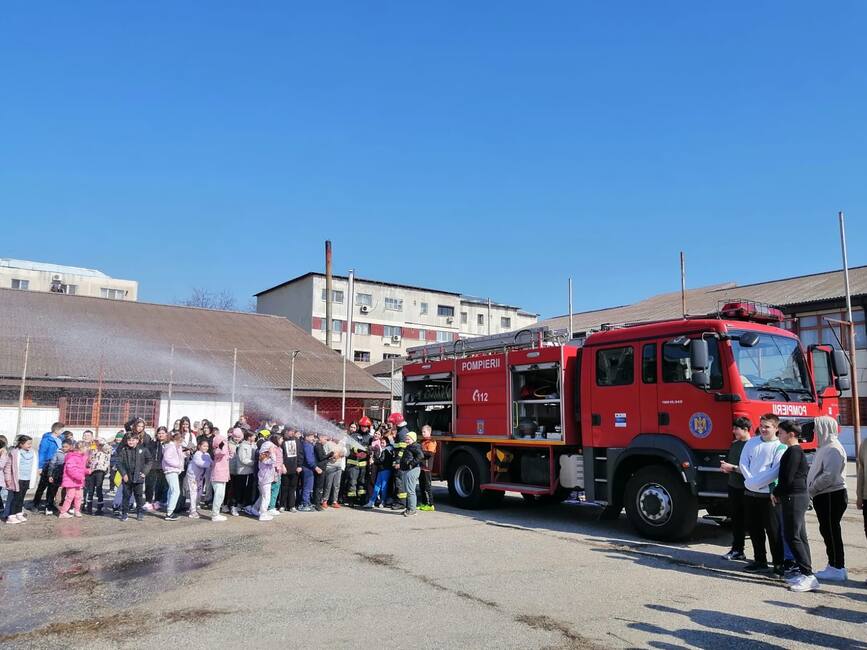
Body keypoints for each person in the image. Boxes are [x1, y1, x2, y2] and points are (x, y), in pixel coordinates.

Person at [772, 420, 817, 592]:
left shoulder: (793, 452)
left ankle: (808, 575)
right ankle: (805, 572)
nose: (779, 435)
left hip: (794, 497)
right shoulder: (795, 451)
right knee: (800, 536)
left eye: (781, 432)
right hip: (796, 496)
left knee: (793, 536)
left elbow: (787, 478)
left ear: (791, 434)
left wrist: (776, 492)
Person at [740, 413, 786, 574]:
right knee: (754, 530)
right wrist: (750, 481)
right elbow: (743, 462)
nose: (763, 429)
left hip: (768, 496)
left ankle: (779, 564)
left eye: (767, 426)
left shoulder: (780, 446)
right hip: (750, 494)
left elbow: (775, 471)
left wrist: (755, 483)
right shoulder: (751, 443)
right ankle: (760, 560)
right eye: (761, 425)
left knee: (773, 531)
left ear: (776, 428)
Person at [807, 415, 849, 582]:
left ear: (824, 428)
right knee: (827, 530)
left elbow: (829, 476)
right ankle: (834, 565)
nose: (814, 432)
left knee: (831, 531)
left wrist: (811, 489)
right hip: (824, 495)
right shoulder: (825, 446)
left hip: (831, 495)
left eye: (817, 428)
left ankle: (837, 567)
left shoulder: (833, 448)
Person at [719, 417, 752, 561]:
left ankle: (761, 558)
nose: (733, 431)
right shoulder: (735, 444)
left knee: (752, 522)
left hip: (747, 488)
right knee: (736, 520)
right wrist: (726, 468)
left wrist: (731, 468)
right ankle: (737, 550)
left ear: (745, 429)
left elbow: (751, 469)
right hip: (733, 486)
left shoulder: (752, 445)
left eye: (736, 429)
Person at [116, 434, 154, 522]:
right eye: (129, 440)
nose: (131, 442)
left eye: (133, 440)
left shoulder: (143, 450)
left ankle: (139, 512)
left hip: (138, 477)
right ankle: (124, 513)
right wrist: (123, 474)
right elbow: (119, 463)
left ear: (137, 440)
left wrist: (144, 472)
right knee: (126, 496)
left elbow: (149, 461)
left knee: (139, 496)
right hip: (127, 477)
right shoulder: (123, 450)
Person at [31, 422, 63, 511]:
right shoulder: (46, 440)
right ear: (56, 430)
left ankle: (49, 504)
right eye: (61, 430)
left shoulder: (60, 439)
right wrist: (40, 466)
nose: (62, 432)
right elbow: (42, 453)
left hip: (57, 466)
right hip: (47, 464)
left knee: (53, 486)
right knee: (42, 485)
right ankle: (35, 503)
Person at [3, 435, 35, 524]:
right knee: (15, 498)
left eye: (31, 443)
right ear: (21, 444)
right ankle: (11, 516)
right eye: (28, 443)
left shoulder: (32, 452)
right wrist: (8, 479)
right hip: (17, 479)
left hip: (27, 478)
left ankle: (18, 513)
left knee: (22, 497)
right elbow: (8, 467)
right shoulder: (14, 453)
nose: (30, 445)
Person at [58, 441, 90, 519]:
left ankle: (77, 510)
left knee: (79, 496)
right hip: (71, 481)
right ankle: (63, 512)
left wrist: (87, 471)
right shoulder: (72, 457)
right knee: (70, 496)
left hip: (78, 481)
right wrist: (79, 476)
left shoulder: (81, 457)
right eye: (86, 448)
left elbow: (80, 468)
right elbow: (70, 469)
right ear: (81, 448)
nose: (87, 450)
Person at [365, 428, 395, 509]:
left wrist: (374, 461)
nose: (381, 444)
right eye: (381, 442)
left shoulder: (386, 451)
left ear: (387, 443)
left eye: (383, 442)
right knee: (377, 486)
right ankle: (372, 501)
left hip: (385, 470)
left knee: (383, 487)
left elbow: (381, 460)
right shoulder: (384, 450)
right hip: (381, 470)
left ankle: (382, 501)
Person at [45, 437, 73, 516]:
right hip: (57, 474)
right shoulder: (57, 453)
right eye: (63, 446)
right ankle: (49, 507)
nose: (64, 448)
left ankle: (66, 507)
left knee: (67, 492)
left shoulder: (72, 454)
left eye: (66, 447)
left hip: (68, 476)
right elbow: (52, 464)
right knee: (52, 491)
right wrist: (50, 475)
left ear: (70, 446)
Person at [399, 431, 424, 516]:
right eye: (406, 438)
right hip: (408, 470)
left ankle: (412, 509)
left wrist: (411, 464)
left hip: (412, 470)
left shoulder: (414, 446)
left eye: (408, 438)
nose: (406, 440)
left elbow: (421, 456)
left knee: (410, 491)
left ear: (413, 439)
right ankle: (409, 508)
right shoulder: (410, 446)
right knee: (408, 490)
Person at [209, 430, 232, 522]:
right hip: (217, 474)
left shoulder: (223, 449)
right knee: (218, 495)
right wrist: (224, 445)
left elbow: (230, 455)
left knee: (221, 495)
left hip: (223, 475)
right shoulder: (217, 450)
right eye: (223, 441)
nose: (225, 442)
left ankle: (217, 513)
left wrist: (229, 449)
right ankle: (215, 514)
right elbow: (221, 453)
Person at [186, 439, 212, 520]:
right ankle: (192, 511)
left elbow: (211, 462)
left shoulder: (207, 454)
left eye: (207, 446)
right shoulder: (197, 454)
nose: (206, 448)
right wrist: (210, 464)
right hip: (193, 476)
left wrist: (213, 463)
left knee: (199, 493)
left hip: (200, 477)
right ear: (199, 446)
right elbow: (200, 463)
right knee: (193, 493)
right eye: (204, 446)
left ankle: (194, 508)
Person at [144, 427, 169, 512]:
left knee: (160, 485)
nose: (161, 435)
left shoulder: (169, 444)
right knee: (150, 484)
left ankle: (157, 501)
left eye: (163, 433)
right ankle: (148, 501)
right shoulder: (152, 443)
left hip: (163, 467)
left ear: (166, 434)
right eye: (159, 433)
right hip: (152, 467)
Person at [84, 438, 110, 515]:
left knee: (99, 489)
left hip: (100, 470)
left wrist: (99, 440)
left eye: (98, 443)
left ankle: (100, 509)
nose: (97, 444)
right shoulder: (92, 450)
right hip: (91, 471)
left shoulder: (106, 451)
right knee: (90, 490)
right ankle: (89, 508)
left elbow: (107, 447)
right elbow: (88, 458)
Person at [162, 432, 185, 521]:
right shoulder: (171, 446)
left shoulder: (173, 446)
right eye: (180, 441)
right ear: (176, 440)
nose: (181, 443)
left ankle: (169, 510)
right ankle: (170, 512)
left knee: (172, 491)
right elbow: (167, 458)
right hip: (171, 470)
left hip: (172, 470)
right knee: (176, 491)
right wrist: (178, 464)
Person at [280, 427, 301, 513]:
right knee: (284, 487)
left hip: (295, 468)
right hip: (285, 468)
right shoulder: (282, 441)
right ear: (286, 431)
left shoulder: (296, 440)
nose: (292, 433)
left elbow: (300, 453)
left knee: (293, 488)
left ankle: (292, 506)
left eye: (293, 431)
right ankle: (282, 505)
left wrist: (299, 465)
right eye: (291, 431)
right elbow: (280, 455)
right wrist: (282, 465)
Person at [256, 440, 276, 521]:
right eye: (271, 448)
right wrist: (272, 452)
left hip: (265, 479)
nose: (273, 449)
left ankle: (261, 511)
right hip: (265, 479)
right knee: (266, 497)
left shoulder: (264, 456)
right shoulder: (263, 456)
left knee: (264, 496)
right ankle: (263, 514)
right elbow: (273, 460)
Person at [418, 425, 437, 511]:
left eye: (424, 432)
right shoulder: (422, 441)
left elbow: (430, 454)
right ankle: (424, 503)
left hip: (427, 467)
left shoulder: (431, 442)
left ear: (429, 432)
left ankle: (430, 504)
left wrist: (420, 451)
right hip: (421, 467)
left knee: (427, 486)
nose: (423, 433)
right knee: (421, 486)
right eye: (422, 432)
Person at [323, 432, 344, 508]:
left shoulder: (341, 444)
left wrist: (341, 455)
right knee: (328, 484)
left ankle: (334, 501)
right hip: (330, 466)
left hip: (339, 467)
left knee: (337, 485)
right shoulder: (328, 444)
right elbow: (324, 455)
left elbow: (343, 453)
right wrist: (331, 457)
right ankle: (325, 500)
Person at [313, 433, 333, 511]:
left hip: (322, 468)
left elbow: (323, 458)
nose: (326, 441)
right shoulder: (318, 446)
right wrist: (329, 454)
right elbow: (321, 457)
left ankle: (317, 503)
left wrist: (329, 458)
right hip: (320, 469)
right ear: (320, 438)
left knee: (320, 487)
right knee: (318, 487)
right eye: (325, 439)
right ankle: (317, 504)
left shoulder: (321, 446)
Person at [299, 430, 317, 512]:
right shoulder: (307, 446)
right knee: (307, 487)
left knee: (307, 486)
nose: (313, 438)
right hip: (308, 469)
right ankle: (304, 503)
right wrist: (315, 467)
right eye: (312, 436)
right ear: (306, 437)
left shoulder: (306, 444)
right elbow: (309, 459)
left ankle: (307, 502)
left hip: (307, 468)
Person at [267, 433, 284, 516]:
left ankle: (272, 506)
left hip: (279, 472)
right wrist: (277, 467)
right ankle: (270, 507)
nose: (282, 440)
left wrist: (282, 466)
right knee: (273, 489)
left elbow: (280, 459)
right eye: (281, 439)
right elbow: (270, 460)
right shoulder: (272, 448)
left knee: (276, 489)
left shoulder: (279, 448)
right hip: (274, 472)